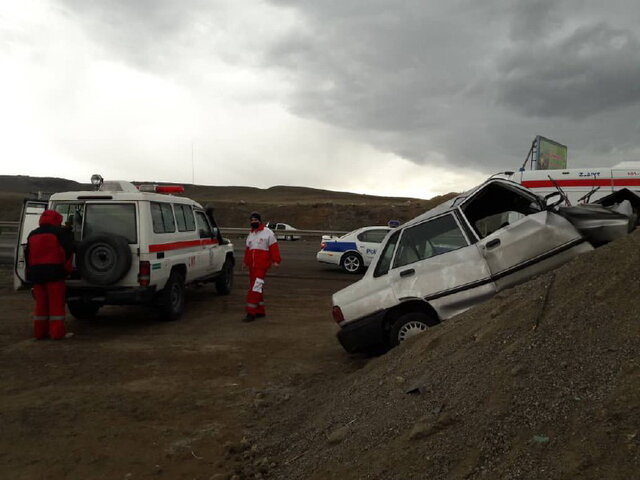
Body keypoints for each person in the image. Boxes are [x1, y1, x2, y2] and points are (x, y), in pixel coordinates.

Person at [25, 209, 74, 340]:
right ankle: (57, 333)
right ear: (57, 220)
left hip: (36, 274)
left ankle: (40, 333)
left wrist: (30, 273)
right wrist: (67, 270)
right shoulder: (60, 232)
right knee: (56, 305)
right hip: (55, 273)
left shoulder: (32, 234)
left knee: (40, 305)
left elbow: (27, 255)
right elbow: (68, 252)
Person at [242, 212, 281, 322]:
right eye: (252, 220)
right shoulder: (251, 234)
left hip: (261, 266)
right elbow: (248, 251)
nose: (253, 222)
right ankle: (260, 311)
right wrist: (245, 262)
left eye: (255, 220)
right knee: (257, 288)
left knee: (254, 288)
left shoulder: (268, 233)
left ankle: (251, 312)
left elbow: (274, 248)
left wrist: (276, 260)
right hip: (252, 267)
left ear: (260, 221)